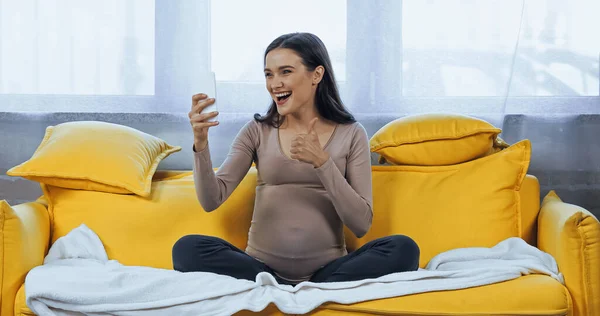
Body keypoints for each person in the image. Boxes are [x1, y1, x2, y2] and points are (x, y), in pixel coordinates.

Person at [172, 32, 419, 286]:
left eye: (285, 72)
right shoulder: (257, 130)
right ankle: (282, 285)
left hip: (329, 269)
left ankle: (313, 286)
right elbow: (212, 199)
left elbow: (361, 224)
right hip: (260, 269)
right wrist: (200, 143)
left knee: (404, 249)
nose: (274, 83)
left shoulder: (351, 133)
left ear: (317, 75)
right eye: (269, 74)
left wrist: (323, 163)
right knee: (186, 248)